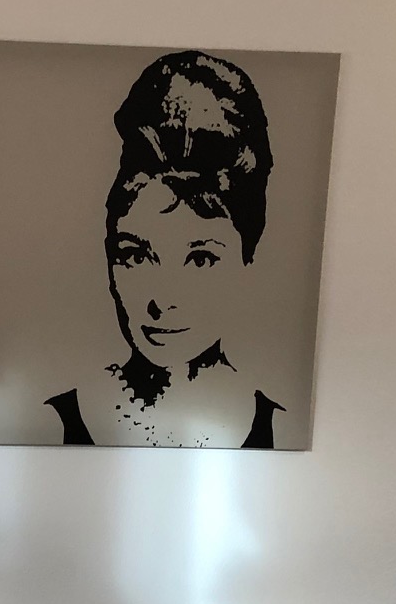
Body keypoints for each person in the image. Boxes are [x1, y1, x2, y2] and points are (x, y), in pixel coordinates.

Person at [45, 51, 285, 448]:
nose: (162, 301)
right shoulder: (51, 425)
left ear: (247, 261)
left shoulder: (285, 433)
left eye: (201, 259)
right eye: (136, 256)